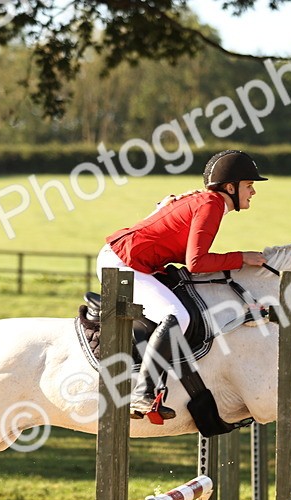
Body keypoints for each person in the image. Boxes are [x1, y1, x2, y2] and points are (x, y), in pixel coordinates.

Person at [98, 149, 269, 421]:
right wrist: (241, 258)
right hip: (124, 264)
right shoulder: (212, 205)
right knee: (178, 315)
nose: (253, 192)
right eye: (249, 185)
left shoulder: (210, 202)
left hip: (134, 260)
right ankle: (143, 394)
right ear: (230, 187)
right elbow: (197, 263)